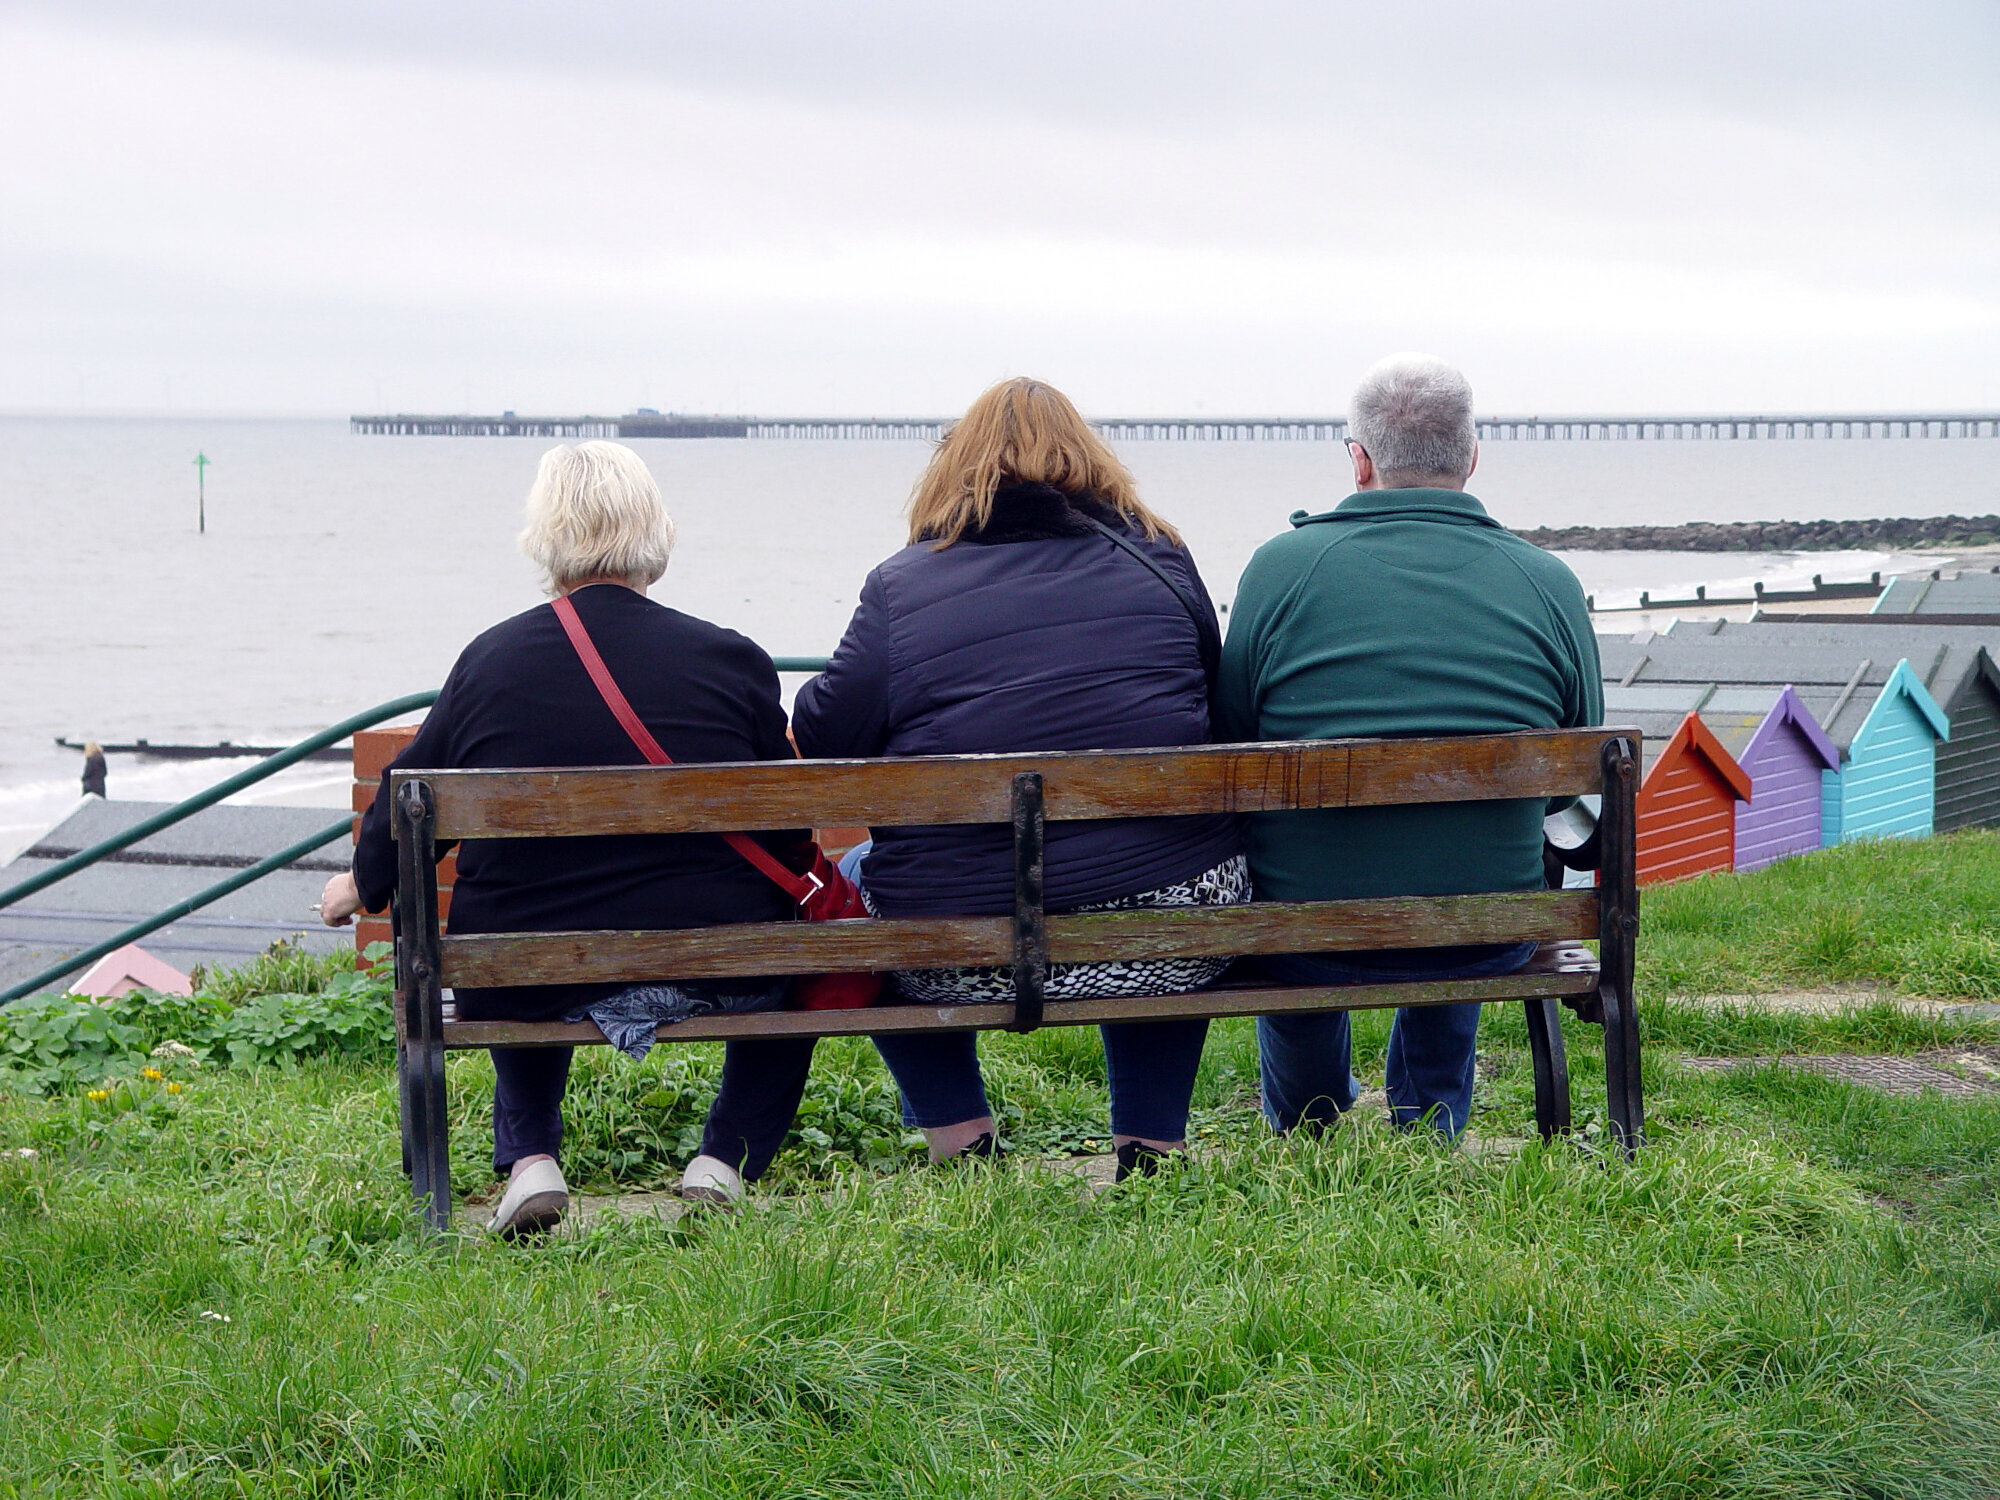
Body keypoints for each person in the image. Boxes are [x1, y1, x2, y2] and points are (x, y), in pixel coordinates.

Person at [319, 441, 815, 1234]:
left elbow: (412, 799)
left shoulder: (492, 662)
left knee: (524, 925)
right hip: (717, 961)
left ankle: (531, 1160)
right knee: (801, 963)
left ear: (546, 535)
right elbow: (789, 830)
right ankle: (723, 1161)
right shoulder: (730, 659)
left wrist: (359, 884)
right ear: (655, 532)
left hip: (523, 968)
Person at [792, 377, 1246, 1180]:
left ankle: (962, 1140)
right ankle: (1152, 1147)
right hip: (1172, 935)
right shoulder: (1162, 560)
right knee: (1161, 863)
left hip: (957, 945)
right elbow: (1216, 704)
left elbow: (828, 735)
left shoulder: (902, 584)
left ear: (954, 468)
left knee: (860, 882)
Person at [1214, 354, 1602, 1140]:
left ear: (1359, 459)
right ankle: (1428, 1121)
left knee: (1301, 880)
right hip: (1485, 929)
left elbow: (1232, 746)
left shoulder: (1280, 568)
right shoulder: (1547, 581)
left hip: (1303, 931)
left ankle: (1309, 1118)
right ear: (1472, 456)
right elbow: (1573, 772)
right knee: (1469, 863)